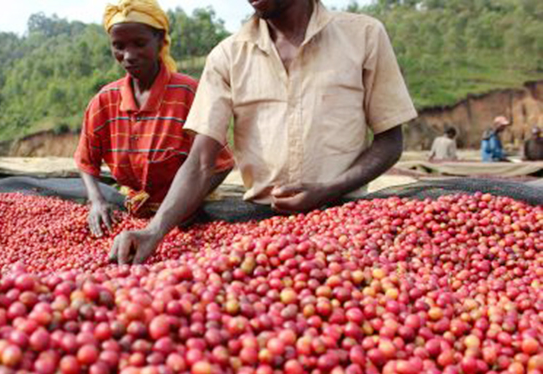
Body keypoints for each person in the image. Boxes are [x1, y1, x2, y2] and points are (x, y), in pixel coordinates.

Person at [109, 0, 418, 264]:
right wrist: (154, 230)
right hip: (262, 225)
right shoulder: (227, 56)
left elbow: (390, 141)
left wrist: (329, 189)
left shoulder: (363, 35)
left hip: (346, 220)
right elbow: (202, 162)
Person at [74, 0, 234, 237]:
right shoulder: (104, 101)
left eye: (139, 44)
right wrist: (96, 200)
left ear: (160, 40)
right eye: (118, 46)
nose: (128, 55)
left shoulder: (188, 93)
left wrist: (181, 207)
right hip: (133, 214)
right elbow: (87, 162)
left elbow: (220, 165)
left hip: (187, 216)